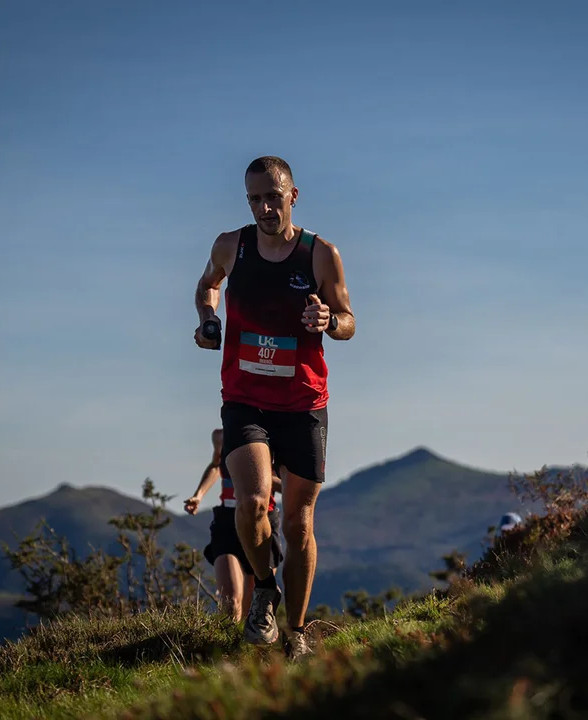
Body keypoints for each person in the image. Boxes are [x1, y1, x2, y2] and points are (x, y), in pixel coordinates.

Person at [192, 155, 355, 659]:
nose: (265, 207)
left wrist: (329, 320)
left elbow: (349, 320)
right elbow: (207, 285)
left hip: (303, 402)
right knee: (251, 502)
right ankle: (265, 587)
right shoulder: (231, 246)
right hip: (245, 398)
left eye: (273, 197)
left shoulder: (320, 254)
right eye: (255, 199)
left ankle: (297, 631)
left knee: (298, 524)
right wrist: (209, 321)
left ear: (293, 196)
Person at [183, 428, 284, 624]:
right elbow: (216, 465)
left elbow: (288, 483)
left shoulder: (275, 436)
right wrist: (199, 495)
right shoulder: (220, 436)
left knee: (257, 602)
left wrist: (257, 476)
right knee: (230, 598)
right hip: (227, 519)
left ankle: (249, 641)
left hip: (262, 519)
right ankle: (227, 639)